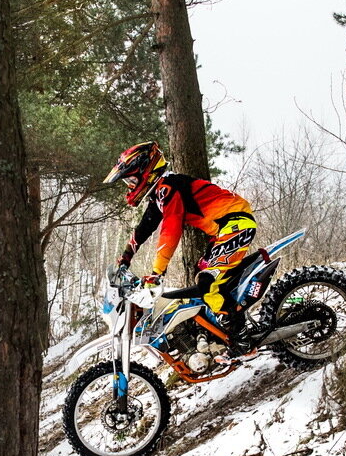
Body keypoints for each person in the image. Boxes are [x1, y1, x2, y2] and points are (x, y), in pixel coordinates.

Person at [104, 141, 261, 360]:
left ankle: (243, 342)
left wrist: (157, 272)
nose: (130, 186)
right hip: (224, 230)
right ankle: (219, 330)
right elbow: (144, 228)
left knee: (209, 283)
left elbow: (170, 231)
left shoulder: (169, 187)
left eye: (131, 180)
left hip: (236, 224)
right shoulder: (161, 193)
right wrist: (125, 258)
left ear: (146, 171)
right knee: (203, 280)